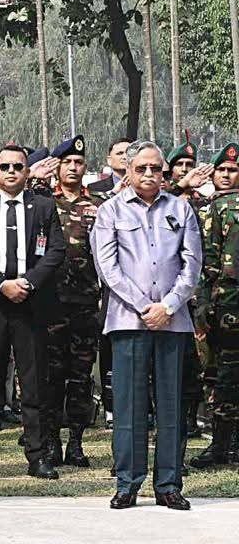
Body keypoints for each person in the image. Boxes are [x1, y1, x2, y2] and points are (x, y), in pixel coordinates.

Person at [92, 140, 201, 510]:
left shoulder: (181, 209)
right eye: (142, 168)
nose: (150, 175)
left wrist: (168, 305)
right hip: (128, 320)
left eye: (157, 168)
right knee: (129, 406)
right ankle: (128, 483)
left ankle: (169, 483)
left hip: (173, 321)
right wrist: (144, 307)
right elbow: (108, 268)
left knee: (171, 405)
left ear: (165, 172)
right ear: (127, 171)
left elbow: (192, 265)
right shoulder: (110, 211)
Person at [0, 145, 66, 480]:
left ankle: (38, 456)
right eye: (5, 166)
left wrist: (28, 282)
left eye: (18, 167)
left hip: (30, 304)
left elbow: (56, 250)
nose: (11, 172)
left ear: (28, 172)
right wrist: (0, 284)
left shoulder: (43, 206)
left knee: (34, 382)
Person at [42, 135, 107, 469]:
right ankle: (51, 443)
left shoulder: (98, 204)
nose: (73, 167)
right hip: (51, 304)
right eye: (67, 162)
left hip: (84, 301)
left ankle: (77, 443)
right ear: (57, 166)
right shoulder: (42, 202)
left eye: (78, 162)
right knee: (52, 377)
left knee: (81, 377)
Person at [192, 141, 239, 469]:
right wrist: (204, 303)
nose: (227, 175)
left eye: (233, 170)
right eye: (221, 169)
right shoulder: (215, 209)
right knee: (224, 377)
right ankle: (221, 446)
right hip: (227, 307)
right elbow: (206, 258)